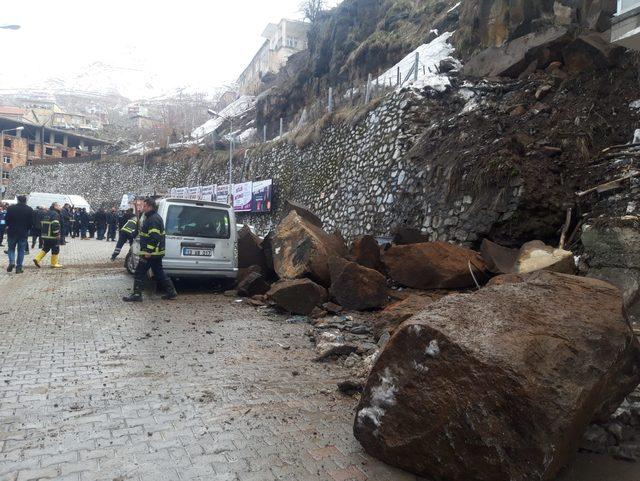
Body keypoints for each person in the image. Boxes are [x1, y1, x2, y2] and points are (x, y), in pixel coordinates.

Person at [123, 197, 177, 302]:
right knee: (159, 272)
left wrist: (148, 251)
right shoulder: (152, 217)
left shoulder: (153, 219)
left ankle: (137, 295)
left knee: (139, 272)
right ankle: (171, 292)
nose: (143, 208)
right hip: (155, 252)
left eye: (145, 206)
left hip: (150, 253)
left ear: (150, 207)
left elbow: (154, 237)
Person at [5, 195, 33, 274]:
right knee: (21, 250)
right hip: (23, 233)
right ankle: (19, 268)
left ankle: (12, 262)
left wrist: (9, 226)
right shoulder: (29, 209)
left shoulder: (11, 208)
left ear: (18, 200)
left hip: (12, 232)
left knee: (11, 249)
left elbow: (7, 219)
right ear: (25, 201)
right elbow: (31, 223)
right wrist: (27, 229)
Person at [33, 203, 63, 269]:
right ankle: (54, 263)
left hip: (45, 235)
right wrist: (57, 234)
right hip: (52, 236)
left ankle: (37, 259)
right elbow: (55, 224)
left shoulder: (46, 213)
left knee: (45, 248)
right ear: (55, 206)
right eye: (59, 205)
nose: (60, 207)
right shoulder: (55, 214)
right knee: (55, 249)